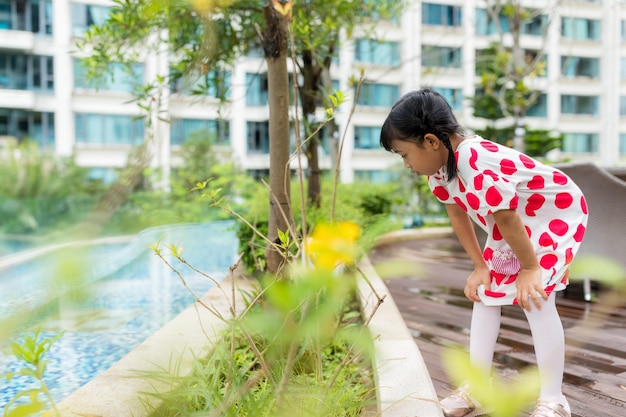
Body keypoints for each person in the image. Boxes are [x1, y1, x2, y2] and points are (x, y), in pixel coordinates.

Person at [380, 88, 588, 417]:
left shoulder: (476, 161)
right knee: (487, 293)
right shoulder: (440, 168)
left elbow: (507, 217)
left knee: (535, 296)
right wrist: (480, 266)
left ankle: (553, 398)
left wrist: (530, 269)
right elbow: (457, 213)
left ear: (432, 141)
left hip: (551, 212)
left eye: (404, 154)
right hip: (515, 220)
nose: (406, 164)